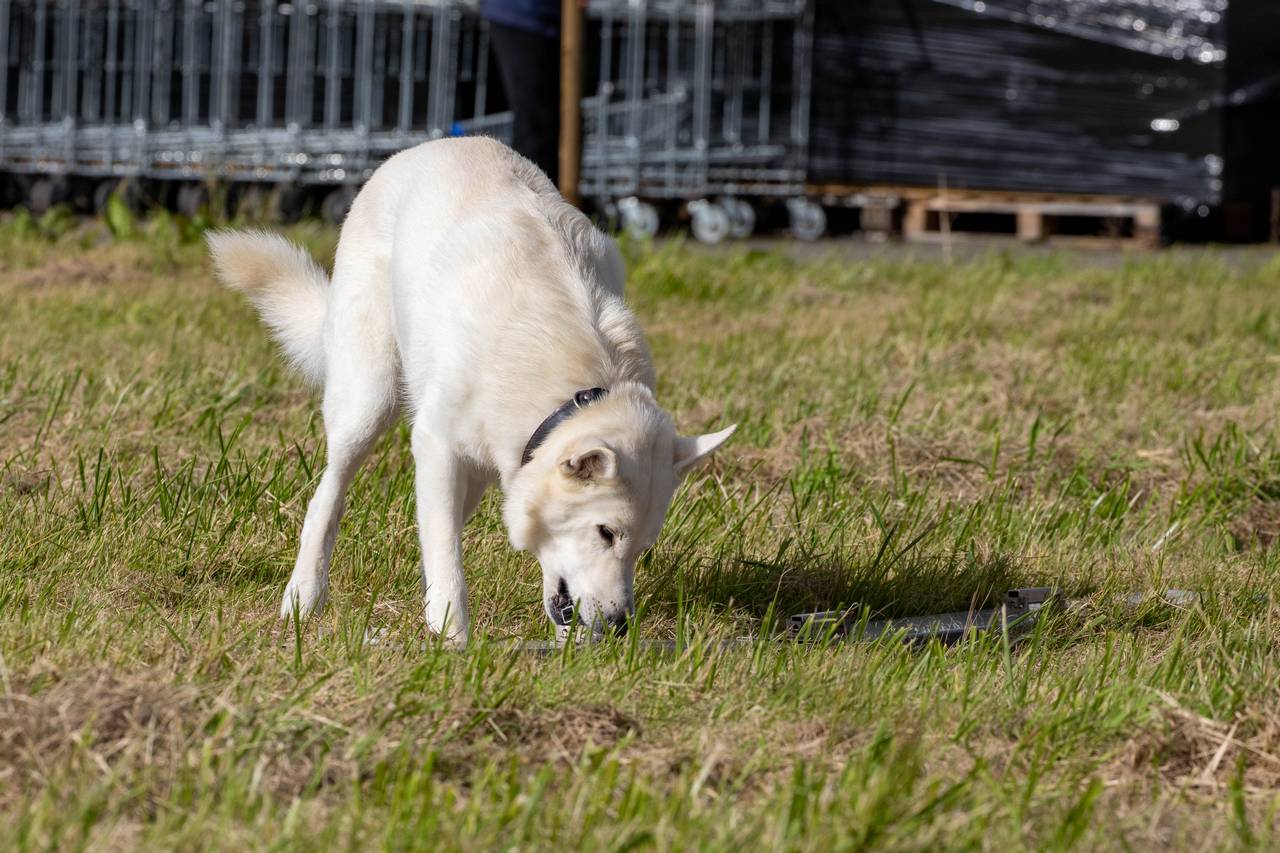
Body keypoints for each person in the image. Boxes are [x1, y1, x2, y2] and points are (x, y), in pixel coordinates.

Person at [482, 0, 562, 186]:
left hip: (541, 18)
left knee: (545, 126)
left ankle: (547, 203)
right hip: (524, 16)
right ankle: (534, 205)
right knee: (535, 127)